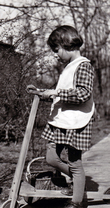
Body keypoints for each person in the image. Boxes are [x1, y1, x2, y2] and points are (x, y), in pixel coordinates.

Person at [26, 25, 94, 208]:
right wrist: (44, 93)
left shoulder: (83, 66)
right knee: (51, 158)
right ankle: (78, 183)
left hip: (76, 123)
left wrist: (55, 93)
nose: (56, 55)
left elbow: (83, 94)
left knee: (74, 161)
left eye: (56, 50)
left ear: (67, 45)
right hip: (62, 121)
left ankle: (77, 202)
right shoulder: (68, 67)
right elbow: (61, 95)